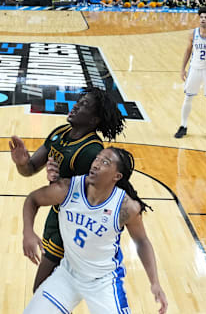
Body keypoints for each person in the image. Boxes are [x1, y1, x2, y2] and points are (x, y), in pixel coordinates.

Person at [22, 148, 168, 314]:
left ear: (117, 176)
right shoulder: (67, 189)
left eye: (105, 162)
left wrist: (155, 282)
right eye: (97, 159)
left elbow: (142, 241)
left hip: (103, 282)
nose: (96, 164)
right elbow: (33, 199)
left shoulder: (126, 208)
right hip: (68, 273)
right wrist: (28, 231)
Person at [9, 88, 126, 291]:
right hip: (56, 217)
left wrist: (59, 183)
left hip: (74, 227)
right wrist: (22, 162)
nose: (76, 105)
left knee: (43, 292)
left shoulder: (91, 151)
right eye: (79, 101)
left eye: (84, 105)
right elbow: (30, 169)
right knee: (52, 297)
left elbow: (91, 199)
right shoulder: (59, 134)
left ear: (94, 120)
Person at [174, 7, 206, 141]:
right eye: (201, 17)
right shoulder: (193, 34)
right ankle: (183, 126)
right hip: (194, 69)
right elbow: (187, 51)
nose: (203, 19)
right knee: (188, 97)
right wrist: (182, 68)